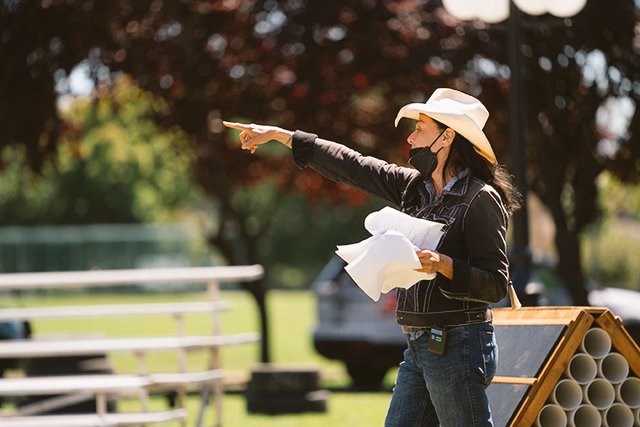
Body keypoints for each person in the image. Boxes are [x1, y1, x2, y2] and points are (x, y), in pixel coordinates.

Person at [224, 88, 522, 426]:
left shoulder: (481, 199)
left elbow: (495, 284)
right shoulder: (415, 188)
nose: (410, 138)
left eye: (420, 129)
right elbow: (353, 166)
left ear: (447, 136)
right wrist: (282, 136)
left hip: (460, 345)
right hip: (419, 344)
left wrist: (444, 265)